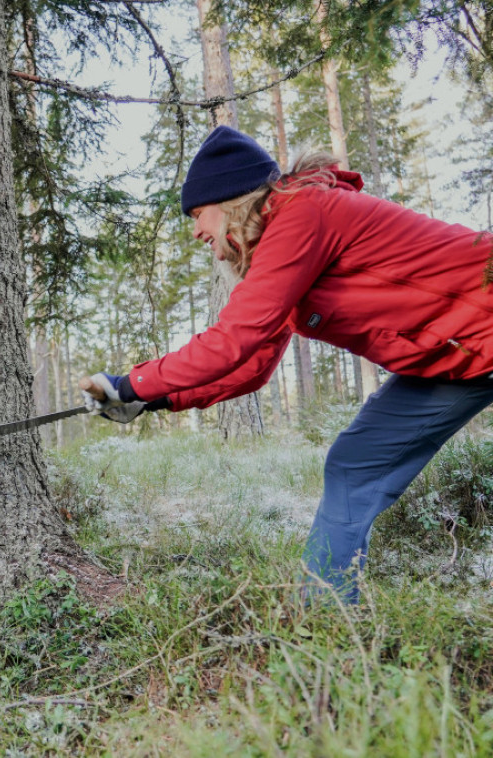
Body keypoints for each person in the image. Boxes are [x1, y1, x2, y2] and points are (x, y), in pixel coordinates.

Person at [82, 125, 493, 604]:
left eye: (198, 214)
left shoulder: (304, 213)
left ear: (231, 201)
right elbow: (250, 367)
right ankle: (326, 618)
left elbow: (235, 339)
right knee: (355, 462)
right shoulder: (282, 254)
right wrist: (154, 397)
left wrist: (131, 383)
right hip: (454, 359)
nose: (195, 230)